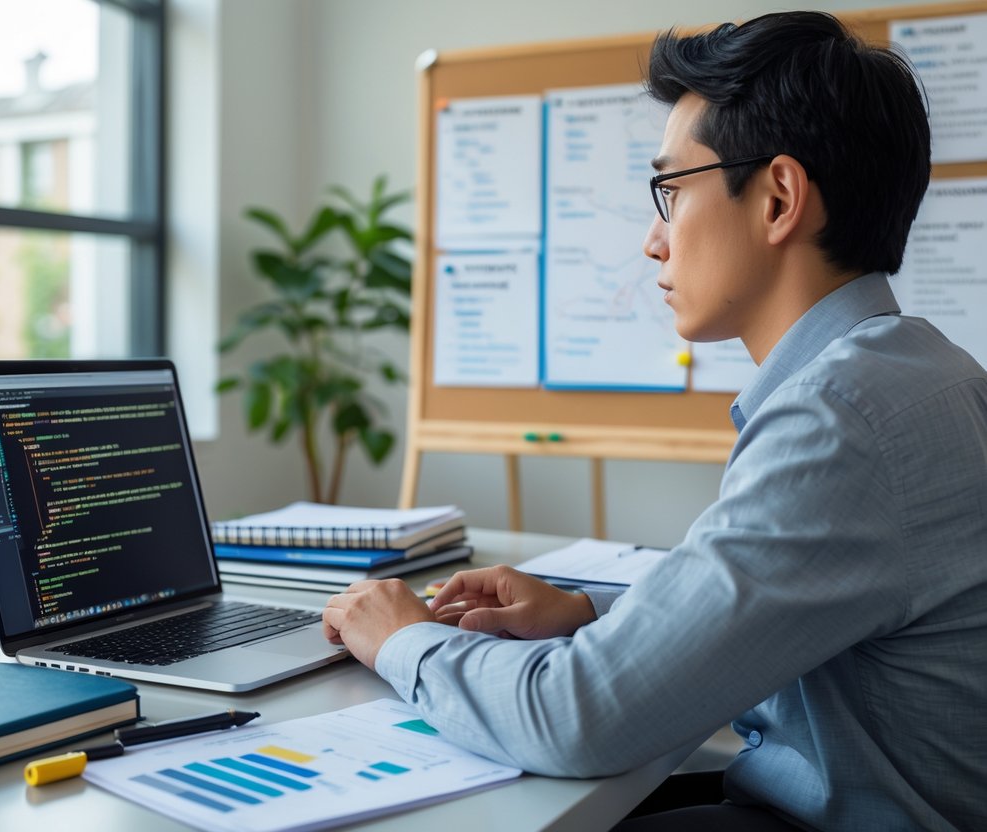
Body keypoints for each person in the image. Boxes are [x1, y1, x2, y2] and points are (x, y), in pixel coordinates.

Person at [321, 11, 987, 831]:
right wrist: (594, 612)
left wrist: (400, 639)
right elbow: (792, 599)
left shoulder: (841, 417)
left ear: (778, 198)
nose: (652, 241)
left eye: (670, 192)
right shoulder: (919, 373)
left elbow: (576, 718)